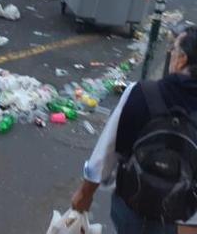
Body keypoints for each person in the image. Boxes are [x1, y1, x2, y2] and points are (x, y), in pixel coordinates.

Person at [71, 26, 197, 233]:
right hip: (177, 218)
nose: (171, 54)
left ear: (182, 60)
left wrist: (85, 194)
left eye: (174, 50)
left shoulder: (141, 92)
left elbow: (107, 149)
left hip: (130, 208)